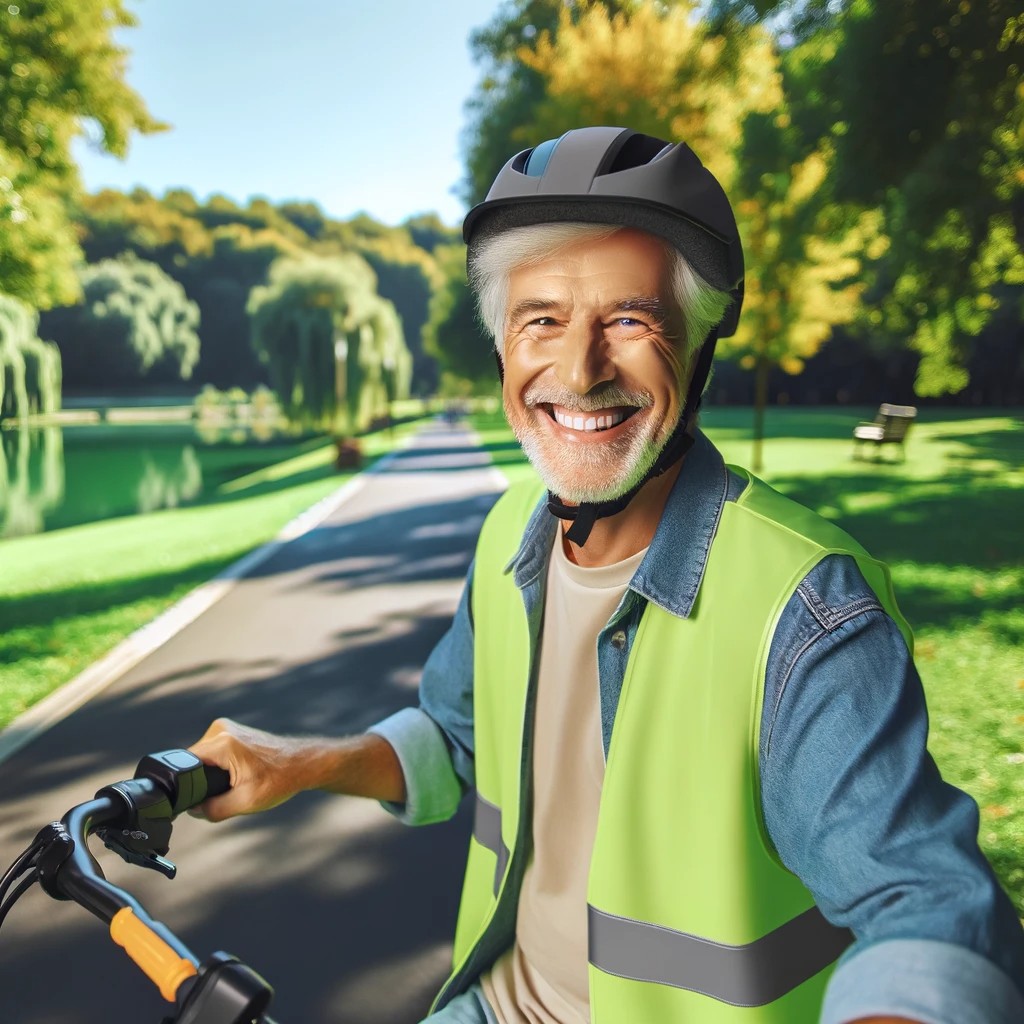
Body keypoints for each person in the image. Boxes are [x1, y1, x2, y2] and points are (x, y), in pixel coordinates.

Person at [190, 127, 1024, 1024]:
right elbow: (455, 736)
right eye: (541, 318)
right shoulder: (512, 529)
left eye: (629, 320)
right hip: (493, 1003)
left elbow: (930, 913)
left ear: (700, 342)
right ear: (503, 346)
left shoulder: (806, 609)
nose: (579, 370)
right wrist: (298, 763)